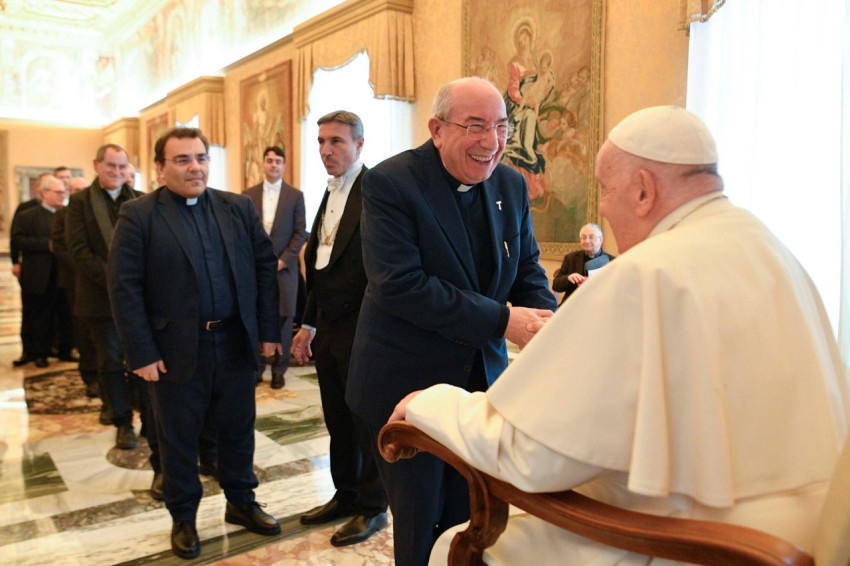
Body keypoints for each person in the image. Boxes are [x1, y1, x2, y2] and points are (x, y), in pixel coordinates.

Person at [388, 105, 850, 566]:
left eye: (607, 189)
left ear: (644, 190)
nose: (604, 208)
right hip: (799, 534)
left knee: (458, 544)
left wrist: (431, 403)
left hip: (700, 543)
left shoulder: (647, 273)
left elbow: (531, 457)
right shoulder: (768, 247)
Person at [346, 77, 558, 566]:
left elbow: (526, 268)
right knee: (421, 523)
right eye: (476, 126)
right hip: (404, 386)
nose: (492, 141)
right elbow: (401, 286)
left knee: (475, 516)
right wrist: (504, 320)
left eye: (501, 127)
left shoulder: (509, 183)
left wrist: (549, 327)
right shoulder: (390, 183)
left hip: (481, 388)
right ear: (437, 129)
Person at [107, 127, 282, 560]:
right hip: (174, 350)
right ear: (160, 167)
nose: (194, 167)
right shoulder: (139, 215)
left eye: (201, 158)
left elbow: (264, 269)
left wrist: (267, 332)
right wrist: (142, 352)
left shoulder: (237, 207)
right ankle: (183, 517)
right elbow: (124, 288)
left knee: (238, 431)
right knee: (179, 439)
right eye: (182, 159)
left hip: (234, 342)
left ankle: (241, 502)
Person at [291, 111, 388, 546]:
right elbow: (321, 265)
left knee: (364, 421)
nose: (326, 151)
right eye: (321, 142)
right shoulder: (329, 191)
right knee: (337, 419)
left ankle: (373, 507)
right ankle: (345, 495)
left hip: (364, 328)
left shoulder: (377, 190)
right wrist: (308, 323)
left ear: (359, 144)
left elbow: (381, 268)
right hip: (329, 327)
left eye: (336, 141)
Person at [65, 144, 143, 450]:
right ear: (97, 165)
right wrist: (115, 280)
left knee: (139, 358)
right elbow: (78, 251)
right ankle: (122, 422)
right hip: (99, 297)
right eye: (111, 165)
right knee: (110, 360)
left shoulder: (140, 200)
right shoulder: (80, 202)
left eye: (122, 167)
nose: (116, 172)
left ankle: (148, 417)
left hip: (136, 298)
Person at [244, 145, 306, 389]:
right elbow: (243, 232)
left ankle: (280, 370)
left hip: (285, 269)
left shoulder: (295, 195)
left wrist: (283, 260)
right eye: (269, 160)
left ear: (284, 165)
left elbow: (300, 233)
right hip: (256, 269)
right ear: (263, 163)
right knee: (256, 314)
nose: (273, 165)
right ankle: (258, 367)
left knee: (284, 318)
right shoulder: (247, 195)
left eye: (278, 161)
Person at [10, 175, 70, 367]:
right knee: (37, 314)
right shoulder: (27, 215)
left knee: (64, 314)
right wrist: (46, 245)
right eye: (58, 192)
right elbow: (17, 240)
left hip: (63, 273)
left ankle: (64, 350)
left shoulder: (68, 215)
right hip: (38, 274)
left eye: (64, 192)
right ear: (44, 193)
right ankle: (37, 352)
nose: (62, 195)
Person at [9, 173, 47, 367]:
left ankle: (46, 349)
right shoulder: (25, 210)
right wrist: (15, 261)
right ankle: (29, 350)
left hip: (53, 271)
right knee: (31, 312)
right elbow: (15, 238)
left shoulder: (61, 211)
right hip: (33, 269)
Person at [551, 223, 614, 303]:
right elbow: (555, 286)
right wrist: (568, 278)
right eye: (583, 237)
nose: (587, 241)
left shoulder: (612, 261)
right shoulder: (570, 258)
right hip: (573, 304)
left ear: (601, 239)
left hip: (600, 305)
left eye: (591, 237)